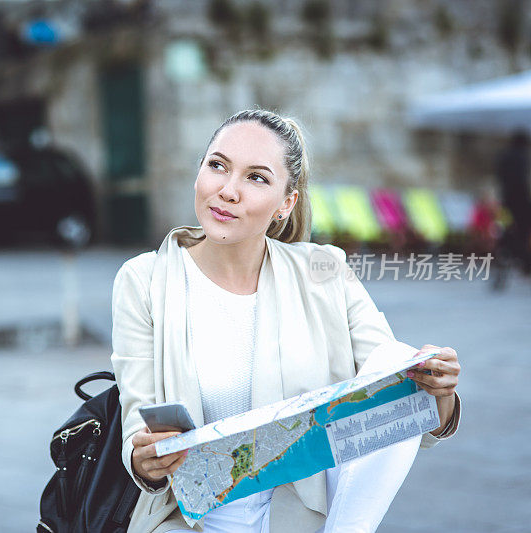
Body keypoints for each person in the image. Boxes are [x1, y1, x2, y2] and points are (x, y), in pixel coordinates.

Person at [110, 109, 462, 533]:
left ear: (286, 203)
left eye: (256, 178)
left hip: (302, 519)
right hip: (190, 520)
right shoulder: (144, 279)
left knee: (397, 356)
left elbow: (397, 400)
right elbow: (137, 429)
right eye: (217, 166)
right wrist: (146, 458)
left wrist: (436, 388)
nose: (227, 190)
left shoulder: (324, 270)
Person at [494, 130, 531, 276]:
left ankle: (508, 250)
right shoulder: (520, 157)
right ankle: (523, 259)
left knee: (509, 228)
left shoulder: (503, 156)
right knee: (523, 230)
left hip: (506, 200)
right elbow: (520, 181)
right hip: (520, 199)